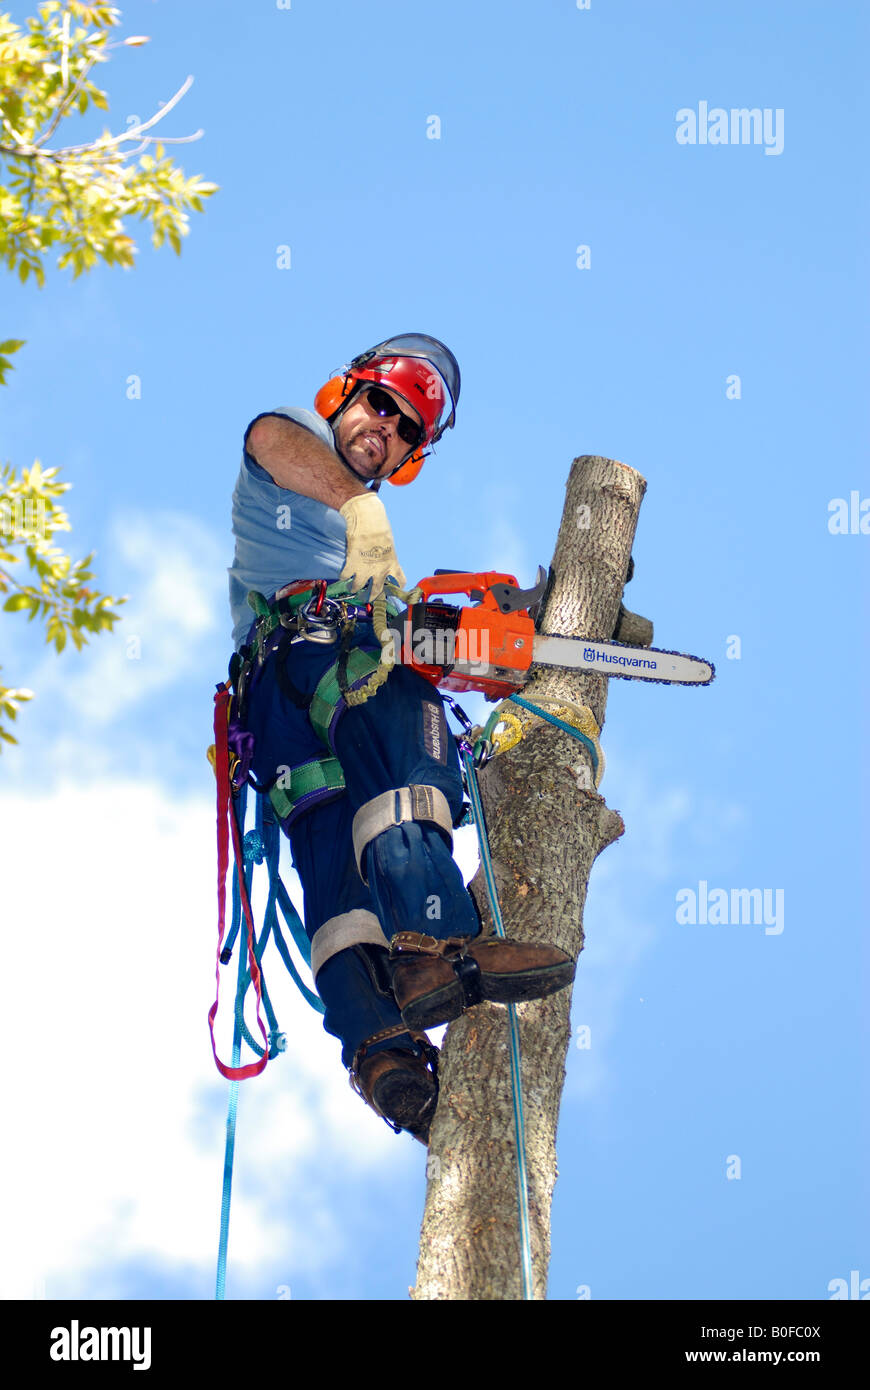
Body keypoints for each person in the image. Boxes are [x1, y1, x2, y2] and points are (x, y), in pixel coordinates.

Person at [226, 333, 575, 1144]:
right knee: (410, 753)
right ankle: (440, 945)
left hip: (280, 708)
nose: (383, 429)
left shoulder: (369, 566)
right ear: (342, 396)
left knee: (333, 854)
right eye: (378, 405)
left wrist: (494, 643)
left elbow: (421, 631)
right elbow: (266, 437)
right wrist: (362, 506)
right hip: (319, 658)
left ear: (410, 455)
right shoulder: (293, 457)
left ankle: (383, 1052)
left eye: (405, 428)